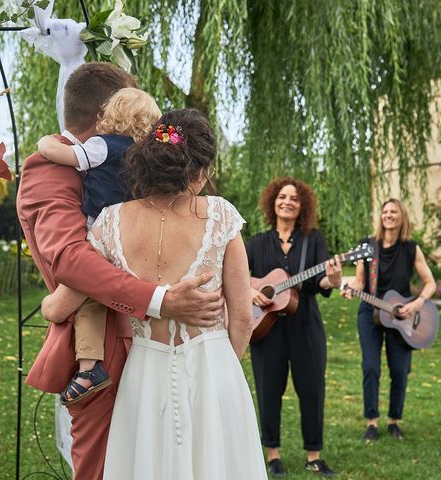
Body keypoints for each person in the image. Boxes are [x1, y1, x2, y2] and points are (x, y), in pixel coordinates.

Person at [16, 62, 224, 480]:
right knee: (103, 468)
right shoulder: (51, 166)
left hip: (158, 348)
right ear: (103, 117)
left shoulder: (126, 164)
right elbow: (72, 258)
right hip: (104, 349)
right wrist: (160, 301)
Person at [41, 108, 267, 479]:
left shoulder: (110, 221)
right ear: (198, 170)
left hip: (144, 374)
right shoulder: (221, 215)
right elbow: (242, 318)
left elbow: (58, 307)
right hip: (214, 370)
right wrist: (224, 369)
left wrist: (48, 301)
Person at [36, 88, 161, 406]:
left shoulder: (100, 146)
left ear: (112, 113)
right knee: (101, 296)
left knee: (87, 299)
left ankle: (90, 367)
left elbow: (63, 156)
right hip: (131, 233)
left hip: (101, 232)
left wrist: (45, 142)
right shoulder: (144, 154)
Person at [246, 177, 341, 478]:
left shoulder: (313, 240)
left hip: (305, 325)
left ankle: (314, 455)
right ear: (273, 202)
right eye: (282, 197)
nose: (288, 201)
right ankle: (273, 454)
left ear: (303, 207)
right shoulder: (257, 243)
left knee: (311, 389)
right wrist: (250, 292)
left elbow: (321, 281)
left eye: (295, 199)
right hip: (266, 327)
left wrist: (333, 280)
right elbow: (235, 277)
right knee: (268, 389)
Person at [341, 198, 436, 442]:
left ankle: (394, 421)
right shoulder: (367, 246)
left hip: (402, 317)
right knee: (370, 367)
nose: (389, 215)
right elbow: (361, 281)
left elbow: (430, 283)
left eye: (394, 211)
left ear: (402, 216)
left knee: (400, 370)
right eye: (385, 211)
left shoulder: (411, 249)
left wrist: (415, 304)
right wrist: (350, 287)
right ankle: (371, 422)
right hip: (370, 311)